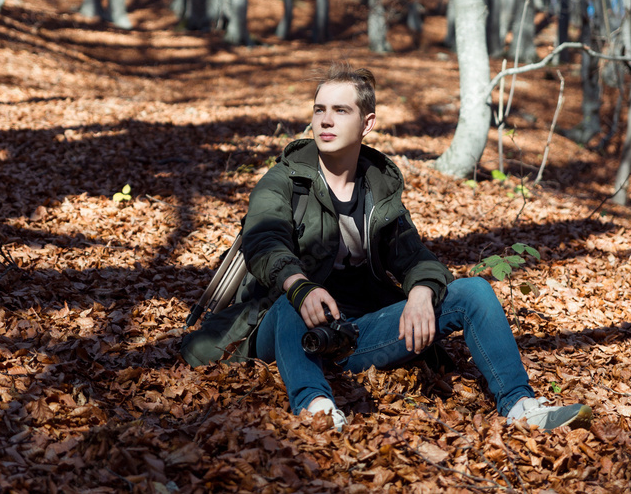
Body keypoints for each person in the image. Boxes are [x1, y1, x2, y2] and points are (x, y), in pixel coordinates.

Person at [181, 63, 592, 431]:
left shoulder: (379, 189)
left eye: (340, 111)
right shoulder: (284, 180)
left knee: (475, 293)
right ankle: (316, 407)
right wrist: (299, 285)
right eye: (319, 109)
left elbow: (416, 257)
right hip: (282, 326)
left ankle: (520, 406)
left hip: (355, 333)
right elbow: (263, 240)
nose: (325, 120)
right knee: (295, 305)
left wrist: (420, 293)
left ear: (367, 122)